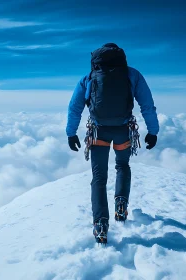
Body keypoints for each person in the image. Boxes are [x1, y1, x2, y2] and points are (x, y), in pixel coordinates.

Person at [66, 43, 159, 244]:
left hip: (98, 132)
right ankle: (121, 204)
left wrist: (71, 133)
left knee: (99, 178)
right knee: (122, 166)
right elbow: (147, 105)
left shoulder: (88, 78)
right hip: (123, 132)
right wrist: (153, 131)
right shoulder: (132, 75)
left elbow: (74, 108)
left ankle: (100, 224)